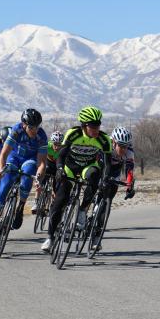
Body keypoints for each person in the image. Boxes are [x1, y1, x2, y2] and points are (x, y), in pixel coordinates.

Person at [41, 106, 112, 253]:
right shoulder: (73, 134)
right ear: (84, 125)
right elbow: (61, 154)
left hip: (88, 166)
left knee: (94, 175)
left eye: (98, 125)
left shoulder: (104, 139)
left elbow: (108, 163)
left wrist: (105, 178)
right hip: (70, 166)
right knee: (60, 201)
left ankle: (82, 210)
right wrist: (60, 169)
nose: (96, 129)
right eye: (93, 126)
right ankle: (50, 237)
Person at [0, 109, 47, 241]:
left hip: (29, 160)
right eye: (31, 127)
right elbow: (4, 154)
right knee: (5, 185)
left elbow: (41, 163)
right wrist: (0, 171)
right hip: (14, 158)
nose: (34, 130)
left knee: (28, 175)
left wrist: (38, 178)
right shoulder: (16, 130)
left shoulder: (41, 136)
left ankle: (20, 208)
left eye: (37, 127)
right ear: (24, 125)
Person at [31, 130, 64, 213]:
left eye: (59, 145)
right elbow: (39, 156)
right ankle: (36, 202)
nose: (57, 147)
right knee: (40, 182)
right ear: (52, 142)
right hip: (48, 164)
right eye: (55, 144)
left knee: (57, 186)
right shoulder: (47, 146)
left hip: (57, 166)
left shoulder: (63, 149)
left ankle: (54, 204)